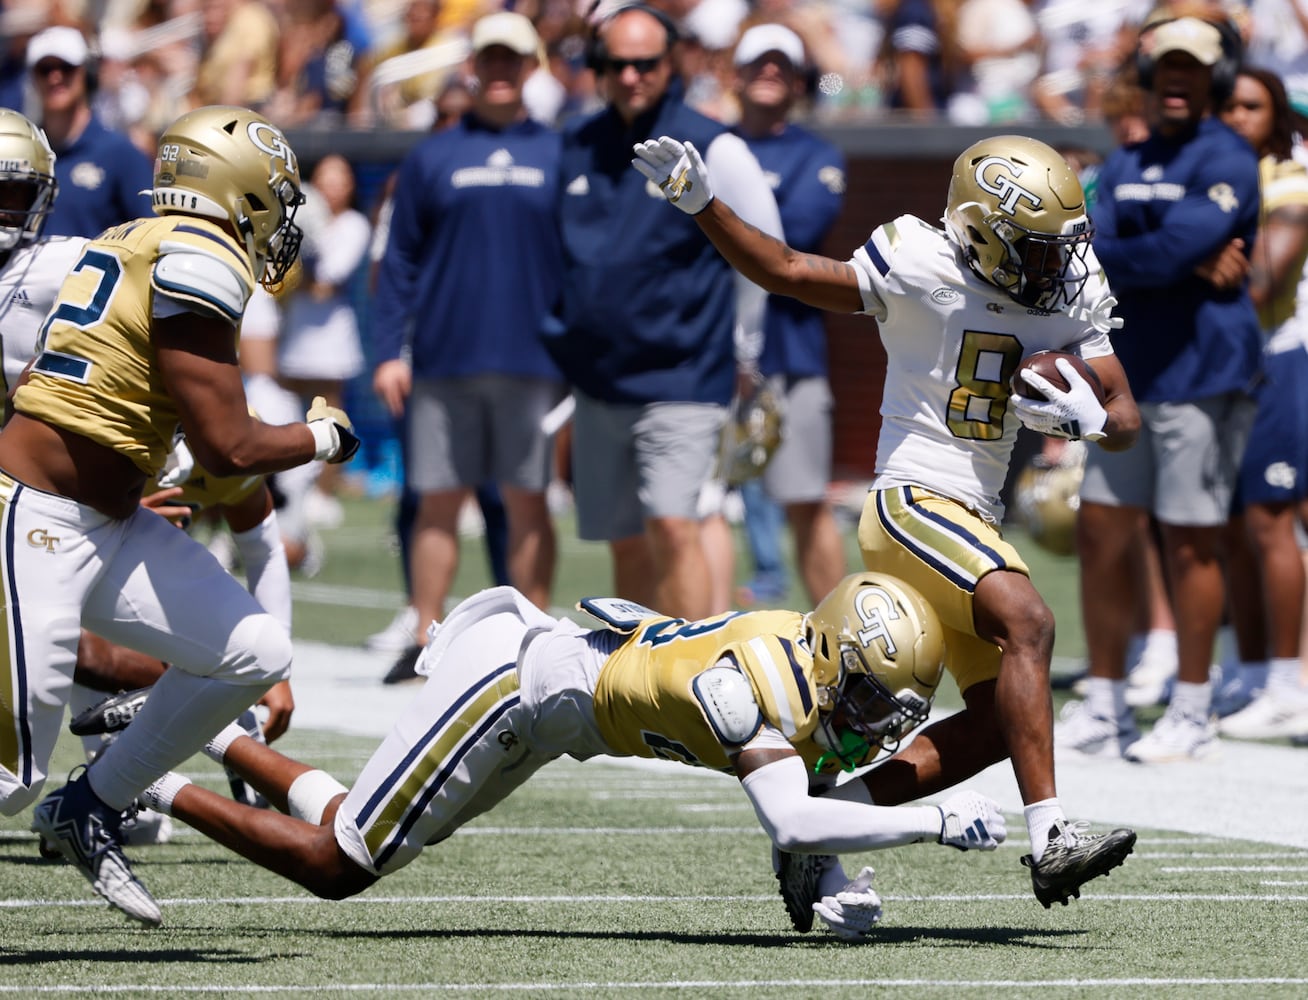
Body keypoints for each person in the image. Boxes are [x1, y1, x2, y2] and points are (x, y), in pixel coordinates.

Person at [631, 130, 1140, 907]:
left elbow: (1126, 412)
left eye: (1056, 246)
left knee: (1003, 719)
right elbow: (792, 272)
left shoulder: (1070, 285)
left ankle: (826, 819)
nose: (1052, 265)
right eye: (1032, 248)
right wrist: (703, 205)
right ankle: (1052, 841)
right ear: (979, 231)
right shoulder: (918, 258)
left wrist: (1089, 422)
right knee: (1029, 624)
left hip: (978, 517)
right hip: (909, 499)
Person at [135, 572, 1009, 941]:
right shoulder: (757, 687)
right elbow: (788, 813)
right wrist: (931, 820)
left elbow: (807, 804)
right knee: (342, 864)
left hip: (551, 721)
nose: (869, 721)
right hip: (512, 690)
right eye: (864, 696)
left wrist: (834, 879)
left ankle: (207, 730)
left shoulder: (803, 667)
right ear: (830, 658)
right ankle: (155, 779)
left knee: (351, 824)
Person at [2, 104, 361, 928]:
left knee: (255, 648)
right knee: (10, 775)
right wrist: (321, 434)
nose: (277, 221)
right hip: (36, 519)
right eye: (273, 199)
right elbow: (230, 447)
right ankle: (71, 798)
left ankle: (92, 803)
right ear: (235, 191)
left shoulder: (137, 235)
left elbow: (196, 445)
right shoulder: (201, 257)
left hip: (108, 517)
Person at [1058, 16, 1263, 763]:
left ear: (1214, 77)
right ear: (1148, 76)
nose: (1177, 79)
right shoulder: (1126, 157)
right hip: (1129, 377)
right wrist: (1173, 257)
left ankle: (1194, 706)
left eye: (1192, 67)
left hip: (1202, 375)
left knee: (1190, 542)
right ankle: (1107, 703)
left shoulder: (1230, 156)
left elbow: (1166, 244)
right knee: (1104, 532)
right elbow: (1090, 247)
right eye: (1166, 67)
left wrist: (1159, 253)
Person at [540, 3, 780, 622]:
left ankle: (692, 679)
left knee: (676, 525)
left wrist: (743, 350)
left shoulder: (716, 145)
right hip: (598, 383)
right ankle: (641, 675)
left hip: (684, 376)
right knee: (625, 538)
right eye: (616, 63)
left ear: (669, 64)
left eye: (644, 64)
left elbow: (765, 252)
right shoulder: (576, 143)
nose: (630, 77)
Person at [369, 12, 565, 684]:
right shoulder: (432, 156)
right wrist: (388, 350)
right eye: (491, 59)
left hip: (536, 364)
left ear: (532, 66)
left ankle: (536, 645)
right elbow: (398, 262)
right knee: (437, 504)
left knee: (527, 501)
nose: (502, 71)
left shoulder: (559, 154)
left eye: (514, 59)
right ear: (473, 66)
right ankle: (430, 637)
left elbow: (582, 263)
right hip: (444, 362)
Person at [730, 23, 848, 607]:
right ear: (737, 73)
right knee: (692, 511)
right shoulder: (710, 145)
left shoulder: (816, 155)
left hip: (789, 354)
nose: (769, 72)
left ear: (800, 79)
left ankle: (845, 645)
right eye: (759, 61)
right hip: (706, 353)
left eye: (782, 63)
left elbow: (788, 239)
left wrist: (710, 213)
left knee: (805, 500)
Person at [1214, 65, 1308, 740]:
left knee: (1273, 520)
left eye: (1251, 105)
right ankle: (1248, 673)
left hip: (1275, 359)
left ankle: (1285, 682)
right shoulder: (1212, 181)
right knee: (1227, 526)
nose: (1237, 116)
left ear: (1276, 115)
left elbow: (1263, 284)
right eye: (1229, 105)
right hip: (1216, 366)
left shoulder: (1290, 181)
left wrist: (1177, 259)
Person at [277, 153, 372, 528]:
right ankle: (288, 486)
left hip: (330, 336)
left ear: (351, 186)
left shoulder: (353, 225)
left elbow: (326, 282)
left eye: (341, 177)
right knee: (282, 408)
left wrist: (304, 253)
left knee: (331, 416)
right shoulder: (296, 216)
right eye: (325, 177)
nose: (332, 185)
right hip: (293, 331)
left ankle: (323, 494)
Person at [26, 25, 153, 238]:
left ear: (86, 72)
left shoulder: (121, 154)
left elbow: (151, 234)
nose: (55, 77)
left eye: (66, 67)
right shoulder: (22, 154)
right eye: (45, 69)